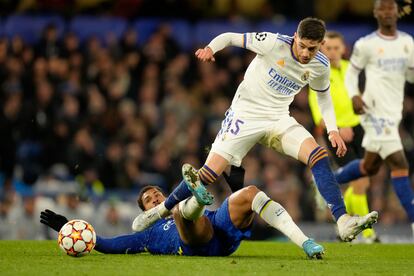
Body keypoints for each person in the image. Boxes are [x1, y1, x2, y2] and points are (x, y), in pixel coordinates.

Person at [134, 17, 378, 242]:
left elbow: (323, 96)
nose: (305, 53)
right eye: (302, 45)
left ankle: (343, 221)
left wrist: (333, 130)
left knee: (318, 156)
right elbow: (230, 37)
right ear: (295, 36)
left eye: (312, 49)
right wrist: (211, 48)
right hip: (245, 115)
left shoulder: (320, 65)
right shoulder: (273, 43)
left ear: (320, 45)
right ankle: (160, 210)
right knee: (208, 174)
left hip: (278, 118)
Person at [40, 166, 325, 258]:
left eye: (156, 195)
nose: (154, 198)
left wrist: (234, 187)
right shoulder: (147, 236)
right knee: (180, 214)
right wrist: (70, 227)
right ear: (145, 210)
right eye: (150, 200)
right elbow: (110, 245)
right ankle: (195, 198)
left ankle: (306, 243)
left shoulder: (155, 219)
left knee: (249, 193)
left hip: (220, 230)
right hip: (196, 243)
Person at [334, 0, 414, 236]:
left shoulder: (407, 43)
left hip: (393, 112)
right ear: (376, 13)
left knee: (370, 166)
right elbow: (352, 73)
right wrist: (355, 96)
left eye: (391, 8)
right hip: (373, 111)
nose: (387, 12)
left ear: (396, 12)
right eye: (383, 8)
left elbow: (410, 75)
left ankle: (328, 180)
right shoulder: (366, 44)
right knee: (400, 164)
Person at [308, 31, 377, 242]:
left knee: (363, 180)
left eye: (336, 48)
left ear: (343, 49)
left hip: (358, 129)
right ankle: (368, 235)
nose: (332, 52)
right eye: (328, 48)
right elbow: (318, 114)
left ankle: (325, 187)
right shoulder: (318, 73)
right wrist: (338, 127)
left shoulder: (350, 70)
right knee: (360, 180)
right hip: (336, 132)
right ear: (322, 49)